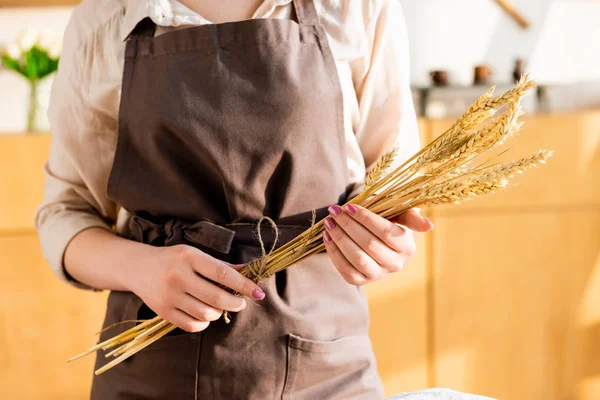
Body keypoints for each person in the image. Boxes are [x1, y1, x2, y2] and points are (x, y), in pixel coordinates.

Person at [35, 0, 433, 398]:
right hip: (152, 370)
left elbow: (393, 192)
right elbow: (65, 212)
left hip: (325, 364)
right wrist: (140, 267)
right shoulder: (104, 19)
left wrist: (383, 244)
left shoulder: (357, 7)